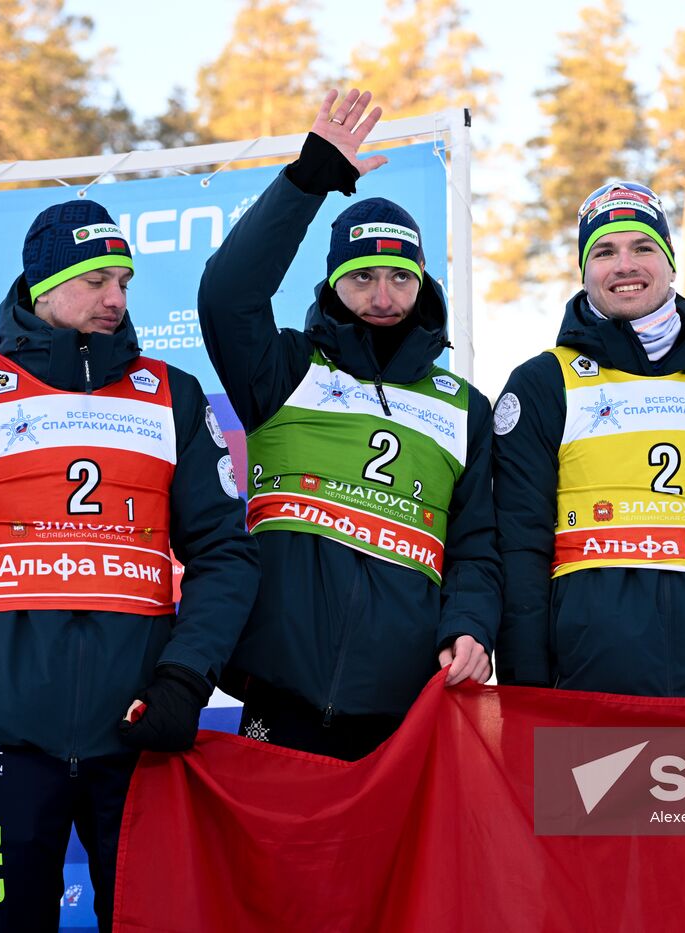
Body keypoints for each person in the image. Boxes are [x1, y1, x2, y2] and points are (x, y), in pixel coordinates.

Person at [0, 199, 258, 932]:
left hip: (137, 733)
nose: (116, 298)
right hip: (4, 735)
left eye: (124, 280)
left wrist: (185, 679)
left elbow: (226, 554)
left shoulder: (172, 397)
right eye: (95, 281)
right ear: (41, 284)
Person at [198, 88, 501, 761]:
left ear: (423, 284)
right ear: (332, 283)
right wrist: (310, 178)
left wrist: (472, 627)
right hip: (282, 690)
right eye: (363, 278)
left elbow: (478, 548)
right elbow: (226, 294)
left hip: (404, 703)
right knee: (277, 870)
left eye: (399, 276)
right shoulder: (284, 370)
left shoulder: (463, 407)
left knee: (387, 872)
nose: (383, 296)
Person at [491, 180, 685, 735]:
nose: (624, 265)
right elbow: (519, 545)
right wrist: (526, 687)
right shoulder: (543, 381)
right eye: (604, 252)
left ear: (669, 262)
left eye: (642, 247)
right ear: (584, 271)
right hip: (584, 693)